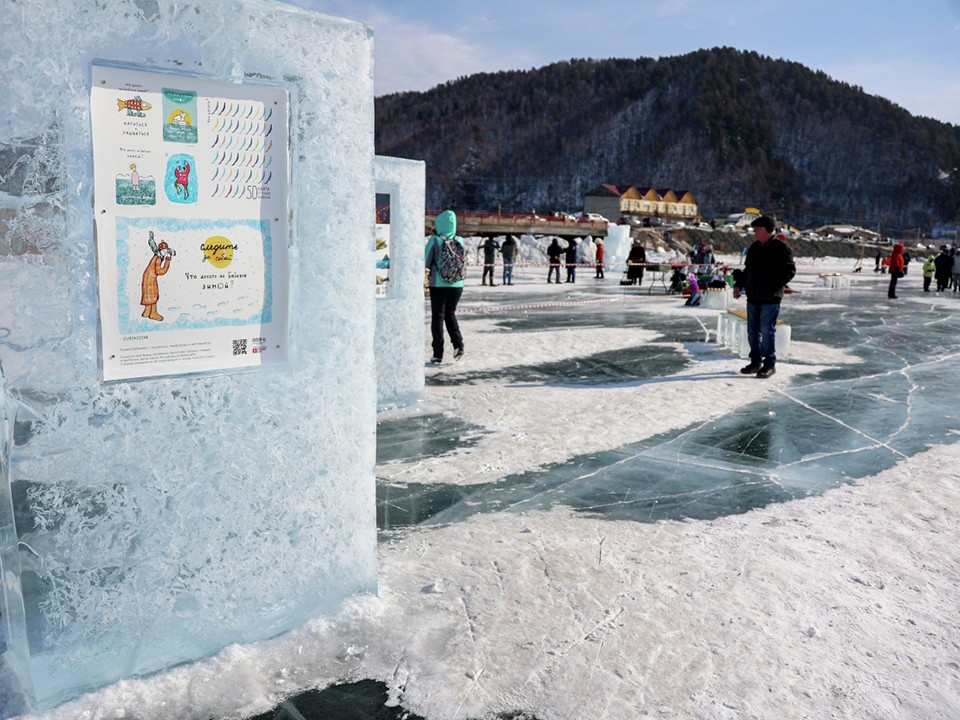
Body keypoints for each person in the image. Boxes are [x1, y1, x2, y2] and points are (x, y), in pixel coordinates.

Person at [733, 216, 796, 379]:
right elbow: (748, 270)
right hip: (753, 296)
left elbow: (790, 271)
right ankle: (755, 362)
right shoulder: (754, 248)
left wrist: (774, 287)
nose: (754, 232)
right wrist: (739, 285)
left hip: (770, 298)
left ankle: (769, 364)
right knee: (752, 332)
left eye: (757, 230)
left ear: (767, 229)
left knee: (767, 331)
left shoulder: (781, 248)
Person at [425, 209, 465, 363]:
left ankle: (438, 354)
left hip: (439, 285)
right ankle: (458, 345)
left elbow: (425, 262)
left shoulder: (435, 241)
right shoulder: (460, 240)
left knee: (438, 318)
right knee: (450, 314)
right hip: (457, 284)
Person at [141, 240, 173, 321]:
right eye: (164, 250)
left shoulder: (157, 256)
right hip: (151, 278)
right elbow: (160, 271)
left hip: (147, 277)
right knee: (153, 293)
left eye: (166, 250)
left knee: (148, 293)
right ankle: (153, 313)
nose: (166, 252)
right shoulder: (158, 258)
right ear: (161, 251)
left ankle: (147, 311)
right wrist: (168, 260)